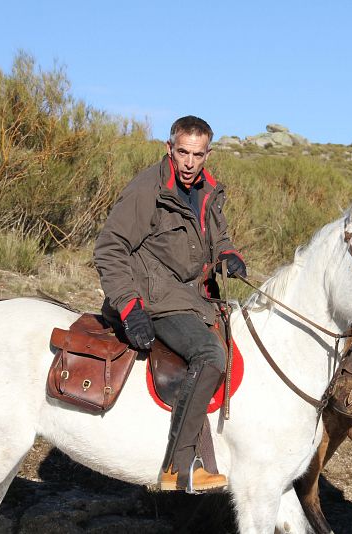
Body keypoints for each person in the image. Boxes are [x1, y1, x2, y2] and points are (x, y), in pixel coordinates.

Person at [94, 115, 246, 493]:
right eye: (183, 153)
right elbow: (109, 248)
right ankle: (178, 467)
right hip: (155, 300)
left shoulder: (208, 190)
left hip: (194, 297)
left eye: (198, 154)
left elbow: (218, 235)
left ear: (208, 153)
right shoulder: (148, 189)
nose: (190, 163)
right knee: (211, 353)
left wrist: (227, 253)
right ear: (169, 148)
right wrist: (130, 308)